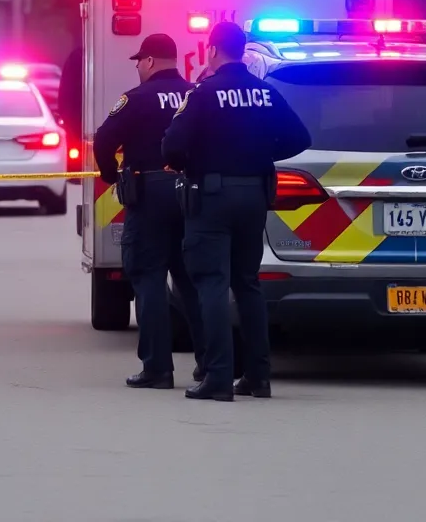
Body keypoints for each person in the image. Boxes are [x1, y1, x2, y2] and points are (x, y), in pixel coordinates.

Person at [162, 21, 311, 401]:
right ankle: (258, 377)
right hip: (254, 196)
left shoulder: (203, 93)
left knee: (211, 283)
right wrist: (259, 155)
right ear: (243, 51)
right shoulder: (265, 93)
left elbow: (172, 147)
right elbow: (300, 137)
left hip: (212, 197)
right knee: (247, 284)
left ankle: (218, 377)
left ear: (212, 51)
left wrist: (198, 159)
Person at [94, 34, 205, 390]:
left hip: (149, 195)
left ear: (150, 61)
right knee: (194, 283)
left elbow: (103, 140)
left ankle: (158, 368)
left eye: (139, 61)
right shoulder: (196, 94)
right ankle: (210, 364)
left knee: (149, 279)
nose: (139, 67)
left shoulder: (136, 98)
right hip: (191, 194)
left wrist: (113, 176)